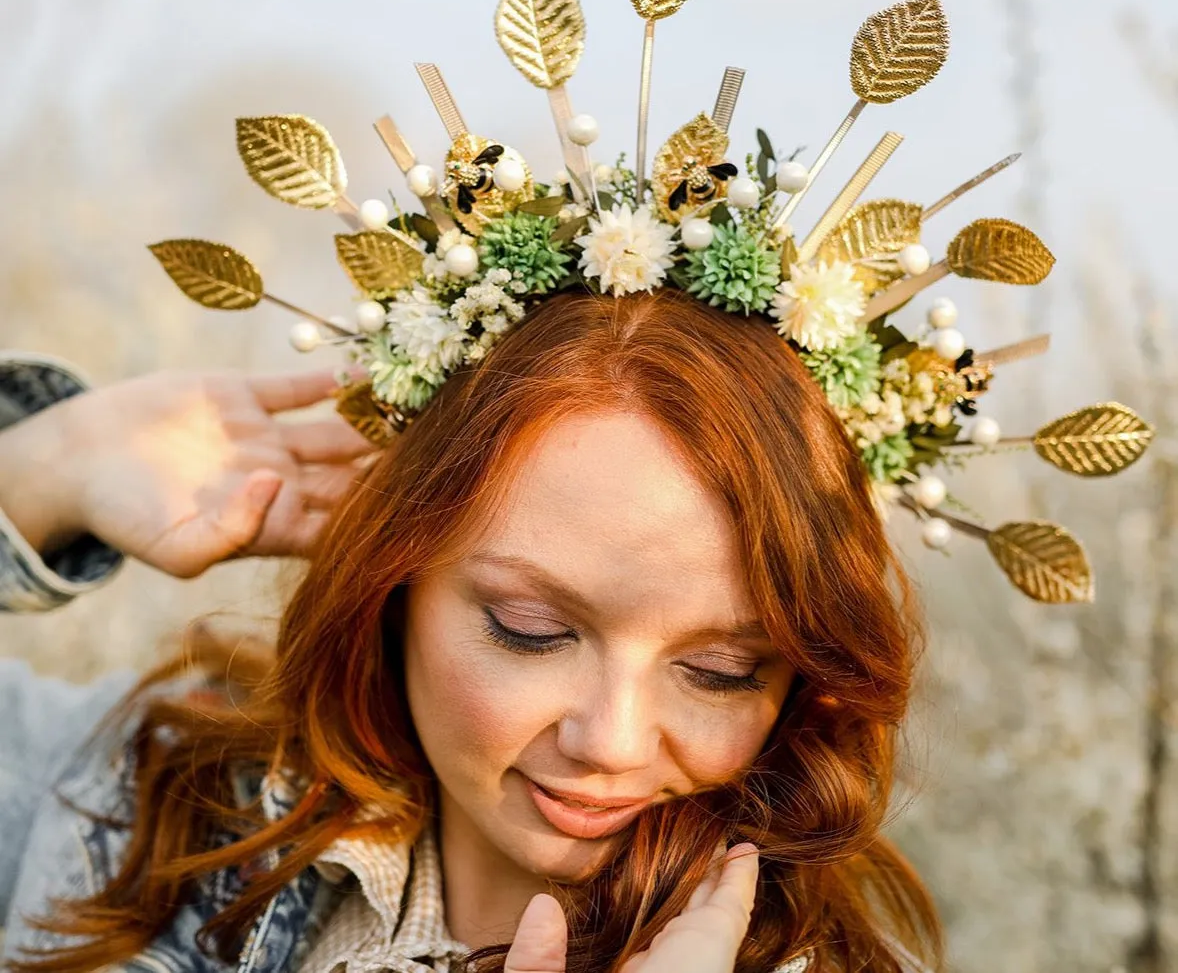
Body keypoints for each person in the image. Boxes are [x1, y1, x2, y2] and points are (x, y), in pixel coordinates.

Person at [0, 289, 939, 973]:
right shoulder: (143, 801)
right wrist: (43, 470)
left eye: (723, 670)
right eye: (530, 629)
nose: (609, 741)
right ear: (395, 579)